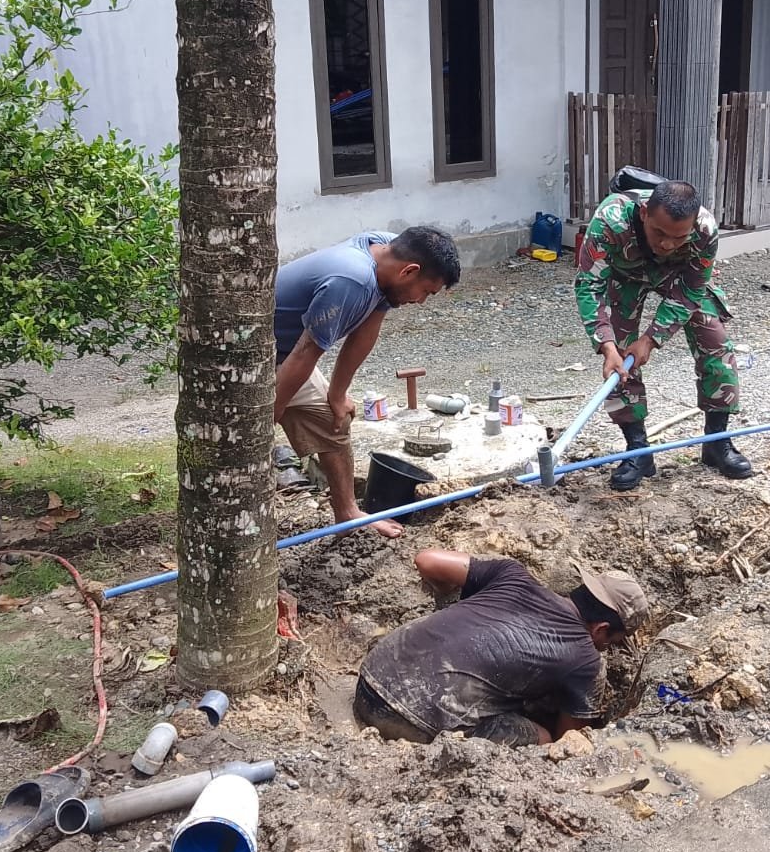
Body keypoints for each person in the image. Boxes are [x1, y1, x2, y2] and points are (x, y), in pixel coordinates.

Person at [274, 226, 460, 537]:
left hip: (287, 354)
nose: (421, 301)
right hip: (246, 360)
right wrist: (269, 413)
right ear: (409, 271)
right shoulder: (352, 280)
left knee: (332, 420)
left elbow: (366, 330)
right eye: (426, 291)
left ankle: (347, 512)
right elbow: (306, 353)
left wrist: (337, 394)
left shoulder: (386, 253)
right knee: (243, 446)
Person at [353, 550, 649, 746]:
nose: (605, 649)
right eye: (611, 642)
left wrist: (447, 600)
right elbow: (569, 740)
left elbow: (426, 560)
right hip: (408, 717)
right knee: (543, 740)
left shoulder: (511, 574)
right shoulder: (586, 660)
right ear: (601, 629)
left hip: (372, 675)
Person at [575, 178, 755, 491]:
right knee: (621, 361)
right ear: (645, 212)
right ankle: (638, 451)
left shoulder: (705, 229)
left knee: (715, 343)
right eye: (659, 233)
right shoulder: (610, 221)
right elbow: (589, 286)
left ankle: (717, 442)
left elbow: (692, 289)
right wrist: (607, 346)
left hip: (678, 278)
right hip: (624, 277)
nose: (667, 244)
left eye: (678, 237)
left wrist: (651, 338)